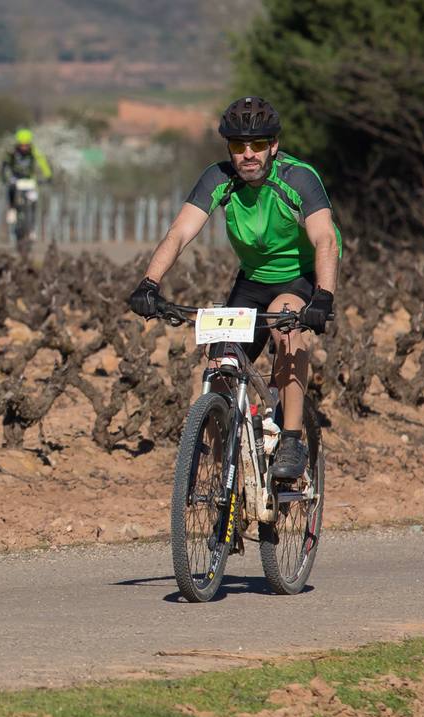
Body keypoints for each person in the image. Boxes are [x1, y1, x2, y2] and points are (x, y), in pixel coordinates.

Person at [128, 96, 341, 481]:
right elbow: (179, 233)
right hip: (251, 281)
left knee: (287, 330)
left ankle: (291, 438)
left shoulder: (298, 178)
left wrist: (323, 296)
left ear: (273, 146)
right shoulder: (218, 178)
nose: (248, 154)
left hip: (300, 277)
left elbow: (325, 239)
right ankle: (228, 479)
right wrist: (149, 282)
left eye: (258, 145)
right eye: (238, 146)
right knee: (219, 366)